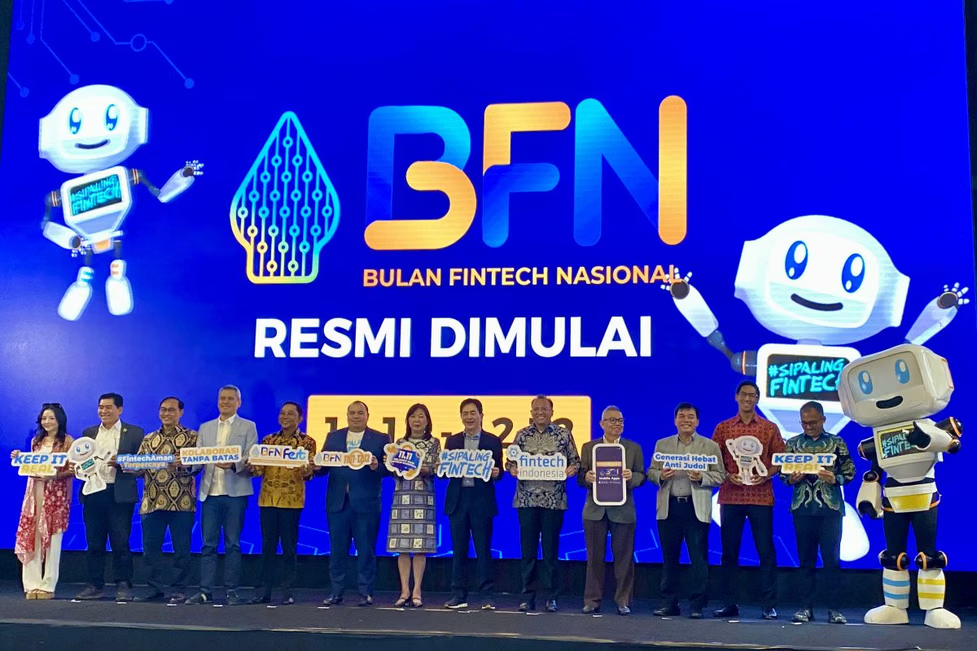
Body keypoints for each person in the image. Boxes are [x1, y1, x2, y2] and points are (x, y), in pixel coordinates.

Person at [711, 380, 785, 619]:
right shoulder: (723, 428)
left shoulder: (769, 428)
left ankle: (768, 605)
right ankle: (729, 603)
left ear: (757, 399)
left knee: (766, 551)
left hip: (760, 497)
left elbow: (780, 459)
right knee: (729, 552)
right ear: (736, 397)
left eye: (752, 395)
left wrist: (766, 475)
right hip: (730, 496)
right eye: (743, 394)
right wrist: (727, 475)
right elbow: (714, 460)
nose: (747, 398)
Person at [648, 403, 726, 618]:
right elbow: (651, 471)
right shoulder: (662, 444)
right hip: (670, 507)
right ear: (675, 421)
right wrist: (661, 476)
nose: (686, 420)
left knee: (698, 559)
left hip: (695, 508)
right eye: (681, 416)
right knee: (669, 558)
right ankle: (669, 603)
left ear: (697, 421)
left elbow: (720, 475)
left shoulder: (709, 446)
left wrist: (702, 477)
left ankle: (697, 605)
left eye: (690, 416)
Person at [782, 401, 855, 624]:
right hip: (802, 508)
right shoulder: (792, 444)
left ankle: (834, 609)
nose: (808, 426)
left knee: (832, 561)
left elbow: (850, 472)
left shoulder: (837, 442)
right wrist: (792, 479)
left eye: (812, 422)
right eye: (804, 423)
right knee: (805, 561)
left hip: (830, 509)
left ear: (823, 419)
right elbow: (783, 476)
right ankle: (805, 608)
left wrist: (835, 478)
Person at [185, 385, 258, 605]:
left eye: (230, 399)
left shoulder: (248, 426)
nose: (225, 402)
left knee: (233, 544)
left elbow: (251, 456)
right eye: (222, 398)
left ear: (239, 402)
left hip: (236, 493)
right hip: (210, 493)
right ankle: (205, 590)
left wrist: (234, 465)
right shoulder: (205, 428)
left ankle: (231, 590)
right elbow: (198, 459)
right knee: (208, 544)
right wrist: (186, 464)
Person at [507, 395, 580, 612]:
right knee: (528, 551)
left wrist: (572, 469)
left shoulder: (563, 434)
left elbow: (575, 461)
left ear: (552, 412)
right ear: (531, 412)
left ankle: (551, 597)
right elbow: (509, 462)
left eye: (544, 409)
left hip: (553, 500)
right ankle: (527, 596)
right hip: (526, 499)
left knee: (550, 551)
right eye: (536, 409)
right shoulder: (521, 434)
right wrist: (513, 469)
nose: (540, 412)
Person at [75, 393, 145, 602]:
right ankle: (94, 585)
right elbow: (81, 461)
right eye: (100, 407)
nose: (103, 411)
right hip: (93, 493)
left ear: (119, 410)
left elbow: (142, 466)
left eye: (108, 407)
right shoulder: (88, 433)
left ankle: (123, 584)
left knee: (121, 542)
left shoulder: (135, 433)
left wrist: (123, 463)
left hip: (119, 494)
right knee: (94, 542)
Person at [320, 400, 390, 606]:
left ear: (368, 415)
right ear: (347, 415)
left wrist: (377, 466)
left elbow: (389, 468)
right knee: (337, 550)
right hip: (338, 503)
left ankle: (365, 592)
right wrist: (315, 467)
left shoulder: (380, 438)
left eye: (360, 413)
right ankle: (336, 592)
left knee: (366, 550)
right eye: (352, 413)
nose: (356, 416)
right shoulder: (333, 437)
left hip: (366, 503)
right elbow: (324, 466)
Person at [249, 401, 317, 605]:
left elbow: (308, 474)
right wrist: (249, 465)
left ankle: (286, 591)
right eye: (282, 413)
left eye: (290, 413)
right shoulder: (268, 440)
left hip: (291, 502)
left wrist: (308, 469)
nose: (285, 416)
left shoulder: (307, 442)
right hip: (268, 499)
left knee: (289, 548)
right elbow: (258, 471)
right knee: (267, 546)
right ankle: (264, 590)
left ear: (300, 418)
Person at [578, 406, 645, 615]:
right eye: (612, 420)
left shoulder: (633, 448)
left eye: (620, 420)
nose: (617, 424)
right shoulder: (589, 447)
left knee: (624, 559)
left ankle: (623, 600)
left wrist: (631, 477)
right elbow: (580, 476)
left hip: (623, 510)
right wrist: (586, 477)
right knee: (594, 558)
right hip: (595, 510)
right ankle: (592, 600)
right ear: (602, 424)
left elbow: (641, 475)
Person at [134, 397, 198, 604]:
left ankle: (179, 589)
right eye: (163, 410)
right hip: (152, 501)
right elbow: (139, 467)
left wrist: (185, 465)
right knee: (151, 549)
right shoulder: (149, 438)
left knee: (182, 550)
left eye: (171, 410)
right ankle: (155, 588)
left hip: (182, 502)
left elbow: (199, 466)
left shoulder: (192, 437)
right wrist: (129, 466)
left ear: (181, 412)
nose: (166, 414)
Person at [443, 398, 503, 610]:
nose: (469, 417)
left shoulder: (493, 441)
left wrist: (496, 473)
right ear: (461, 417)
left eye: (472, 413)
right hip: (458, 501)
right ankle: (458, 594)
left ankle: (486, 596)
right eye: (465, 413)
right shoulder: (452, 441)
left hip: (481, 501)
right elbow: (445, 473)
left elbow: (499, 472)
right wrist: (442, 468)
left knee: (483, 550)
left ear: (481, 415)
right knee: (458, 550)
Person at [13, 403, 75, 599]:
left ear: (60, 420)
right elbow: (31, 465)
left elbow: (73, 469)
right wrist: (20, 458)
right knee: (32, 536)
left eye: (51, 418)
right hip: (34, 494)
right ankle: (32, 584)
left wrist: (55, 476)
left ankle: (48, 585)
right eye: (44, 418)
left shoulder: (68, 442)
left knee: (53, 540)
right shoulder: (36, 441)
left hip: (56, 496)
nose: (47, 422)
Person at [387, 404, 441, 608]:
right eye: (413, 416)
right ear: (407, 420)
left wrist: (427, 469)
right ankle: (404, 591)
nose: (417, 420)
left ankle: (417, 590)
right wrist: (390, 464)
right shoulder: (399, 444)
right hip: (402, 496)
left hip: (423, 497)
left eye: (421, 417)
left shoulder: (434, 443)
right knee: (402, 548)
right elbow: (392, 471)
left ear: (427, 421)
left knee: (420, 547)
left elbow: (438, 468)